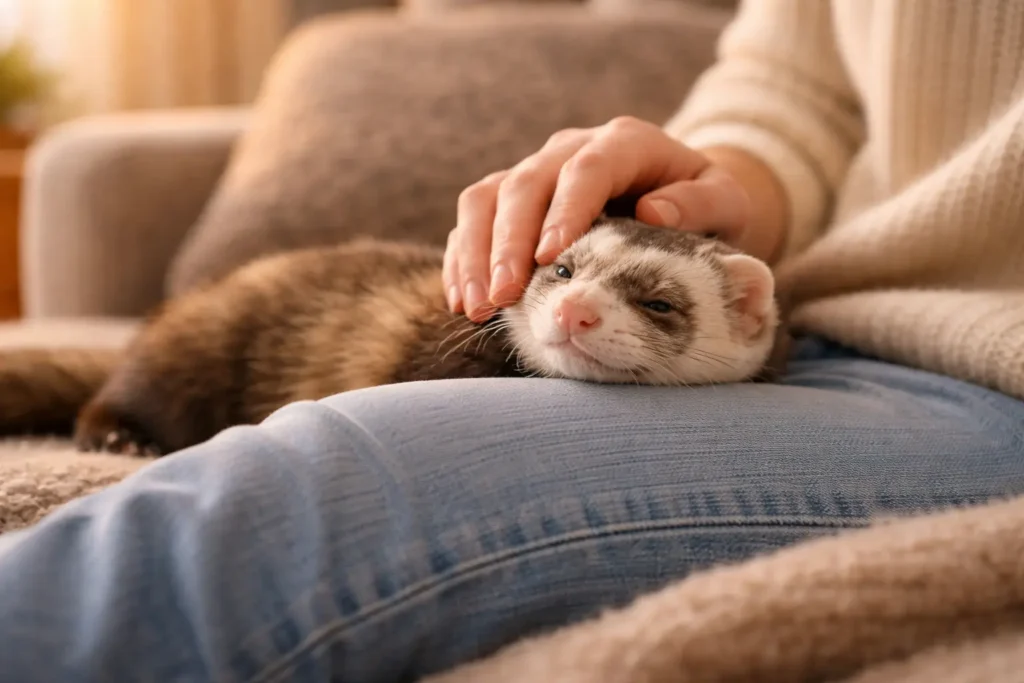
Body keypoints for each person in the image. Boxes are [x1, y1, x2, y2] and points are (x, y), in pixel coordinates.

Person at [2, 1, 1023, 681]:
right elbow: (801, 85)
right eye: (565, 278)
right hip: (845, 326)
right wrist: (712, 183)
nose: (574, 309)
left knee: (307, 486)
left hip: (985, 379)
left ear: (739, 318)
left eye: (662, 306)